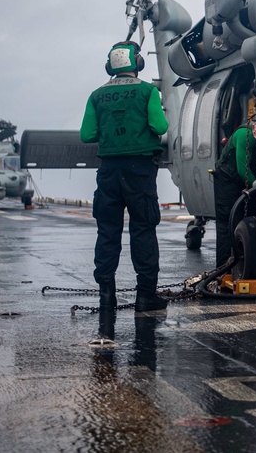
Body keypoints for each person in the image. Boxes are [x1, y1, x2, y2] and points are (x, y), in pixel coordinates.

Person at [80, 41, 170, 313]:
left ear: (110, 66)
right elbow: (160, 126)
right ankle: (145, 297)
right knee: (143, 229)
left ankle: (106, 296)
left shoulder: (96, 95)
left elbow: (87, 135)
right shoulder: (147, 91)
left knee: (107, 230)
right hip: (139, 171)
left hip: (109, 171)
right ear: (138, 63)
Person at [212, 100, 256, 269]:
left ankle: (243, 265)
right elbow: (242, 169)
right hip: (226, 181)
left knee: (247, 220)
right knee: (227, 223)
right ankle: (223, 269)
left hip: (237, 182)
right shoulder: (246, 136)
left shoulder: (253, 136)